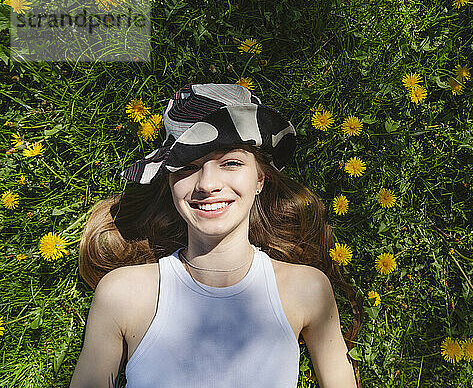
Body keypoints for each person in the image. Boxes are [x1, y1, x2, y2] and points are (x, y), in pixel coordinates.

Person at [69, 83, 364, 388]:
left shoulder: (307, 289)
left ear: (259, 179)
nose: (207, 184)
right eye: (187, 167)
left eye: (231, 163)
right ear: (169, 183)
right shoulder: (122, 294)